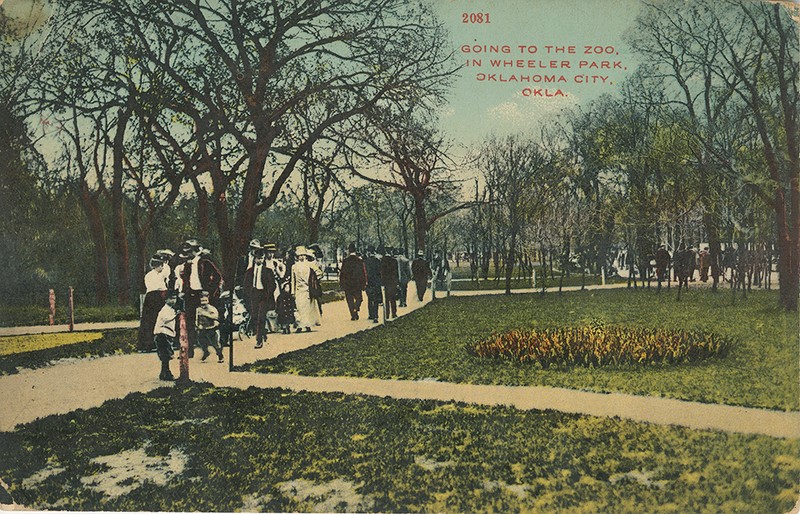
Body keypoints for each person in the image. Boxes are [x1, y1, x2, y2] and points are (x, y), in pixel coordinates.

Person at [137, 254, 170, 352]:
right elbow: (166, 271)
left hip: (152, 297)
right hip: (156, 297)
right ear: (156, 266)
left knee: (149, 320)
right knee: (153, 319)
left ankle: (148, 344)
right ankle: (149, 344)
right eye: (160, 265)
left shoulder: (149, 275)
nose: (162, 267)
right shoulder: (156, 275)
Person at [244, 251, 277, 349]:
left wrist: (267, 294)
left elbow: (273, 285)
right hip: (254, 295)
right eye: (258, 258)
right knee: (254, 317)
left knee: (260, 317)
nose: (260, 260)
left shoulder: (268, 271)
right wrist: (248, 294)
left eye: (262, 258)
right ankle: (263, 333)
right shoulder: (250, 271)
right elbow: (246, 285)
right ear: (254, 259)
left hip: (264, 296)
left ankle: (259, 340)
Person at [291, 246, 323, 332]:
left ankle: (307, 325)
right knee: (299, 307)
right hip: (298, 290)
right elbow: (292, 280)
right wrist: (292, 291)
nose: (301, 257)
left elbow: (319, 273)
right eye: (299, 255)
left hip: (308, 290)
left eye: (303, 255)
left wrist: (314, 281)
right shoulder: (294, 266)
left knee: (307, 308)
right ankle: (300, 326)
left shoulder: (309, 265)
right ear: (297, 256)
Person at [153, 292, 180, 381]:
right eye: (171, 299)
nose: (173, 301)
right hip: (162, 334)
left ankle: (164, 372)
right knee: (165, 353)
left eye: (174, 298)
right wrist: (176, 315)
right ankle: (166, 373)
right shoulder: (165, 309)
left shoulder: (171, 309)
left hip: (167, 333)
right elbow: (166, 318)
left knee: (165, 354)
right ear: (166, 300)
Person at [339, 243, 367, 320]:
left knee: (349, 300)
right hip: (357, 284)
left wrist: (342, 284)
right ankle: (356, 308)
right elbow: (362, 273)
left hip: (348, 284)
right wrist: (363, 283)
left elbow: (342, 273)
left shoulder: (345, 261)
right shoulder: (359, 261)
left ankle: (353, 314)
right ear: (355, 250)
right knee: (359, 299)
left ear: (349, 251)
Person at [195, 291, 223, 362]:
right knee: (201, 342)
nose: (203, 302)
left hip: (212, 328)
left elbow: (216, 317)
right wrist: (197, 325)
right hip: (203, 328)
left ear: (208, 300)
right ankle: (206, 352)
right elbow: (197, 318)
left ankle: (220, 355)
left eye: (205, 300)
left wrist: (205, 314)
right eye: (202, 300)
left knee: (215, 343)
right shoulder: (198, 309)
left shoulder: (212, 308)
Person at [364, 245, 383, 322]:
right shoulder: (378, 261)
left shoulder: (366, 262)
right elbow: (380, 272)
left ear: (368, 252)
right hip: (377, 282)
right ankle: (376, 315)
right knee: (375, 299)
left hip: (369, 282)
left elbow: (366, 273)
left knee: (370, 298)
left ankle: (371, 314)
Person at [380, 246, 399, 319]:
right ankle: (394, 313)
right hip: (392, 282)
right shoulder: (394, 261)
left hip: (385, 282)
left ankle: (387, 314)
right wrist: (397, 282)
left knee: (386, 299)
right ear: (391, 252)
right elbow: (396, 273)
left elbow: (381, 272)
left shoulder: (382, 260)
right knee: (393, 298)